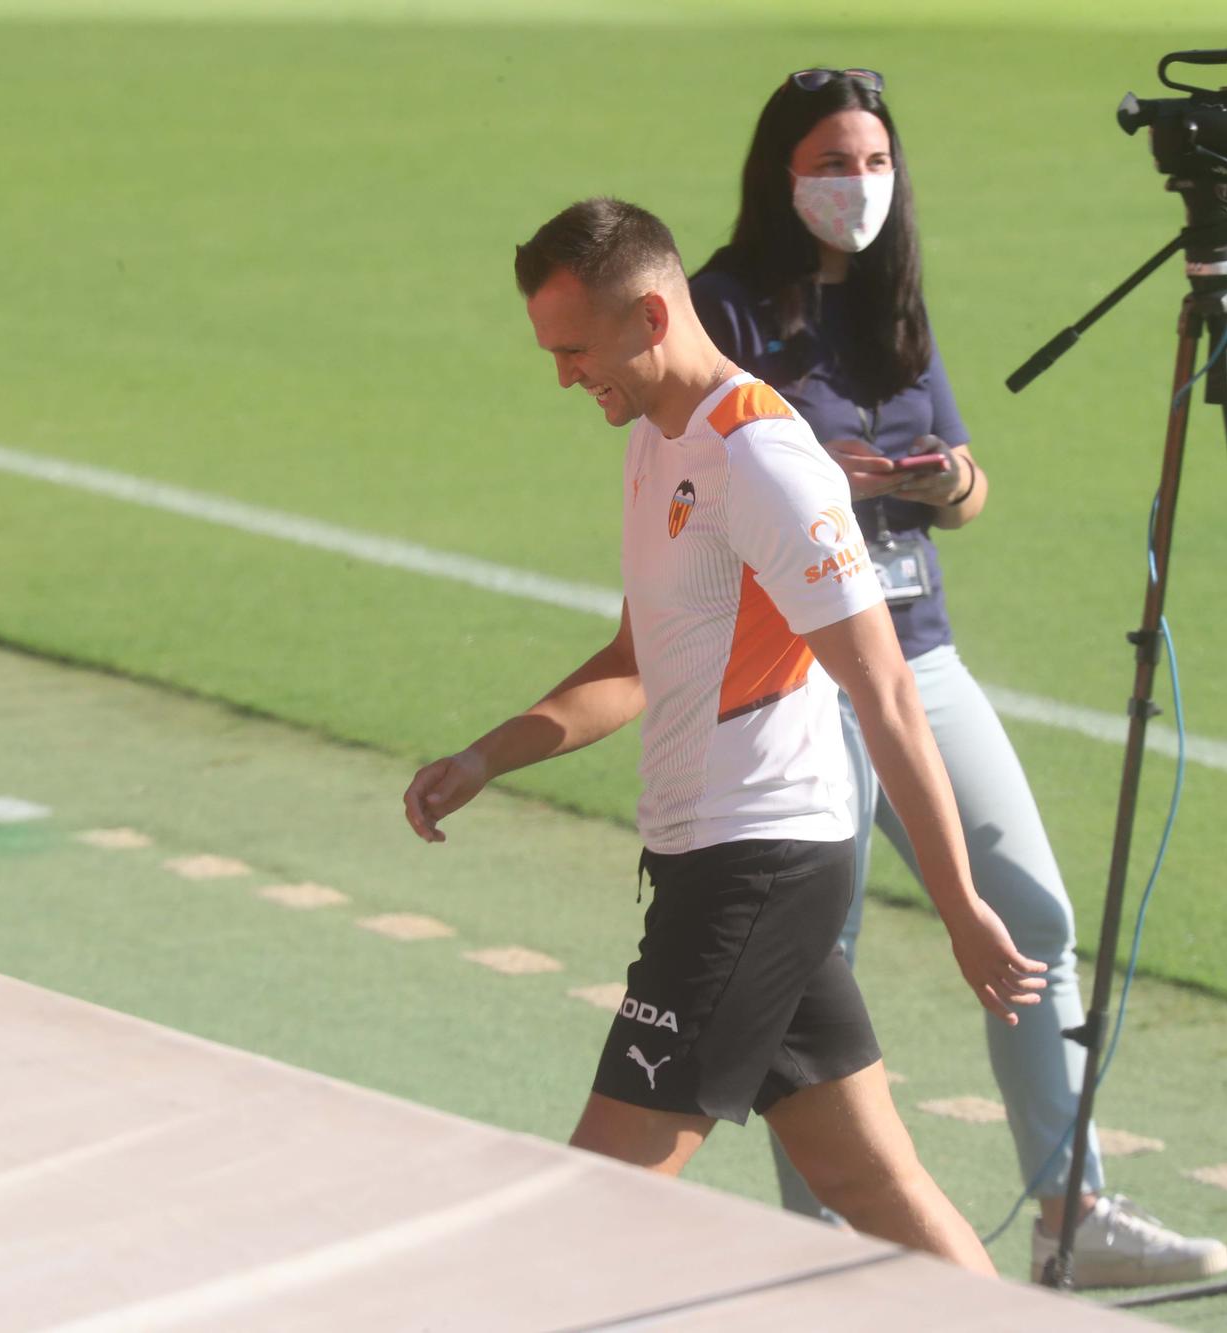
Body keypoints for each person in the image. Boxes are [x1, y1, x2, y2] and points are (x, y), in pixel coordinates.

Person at [403, 196, 1047, 1276]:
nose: (563, 376)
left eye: (573, 349)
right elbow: (632, 663)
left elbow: (883, 689)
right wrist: (486, 756)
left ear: (650, 316)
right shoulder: (657, 442)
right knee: (869, 1183)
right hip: (722, 860)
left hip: (753, 870)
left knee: (592, 1196)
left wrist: (958, 904)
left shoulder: (762, 464)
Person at [689, 68, 1227, 1288]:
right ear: (783, 173)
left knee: (1031, 914)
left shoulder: (891, 304)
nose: (858, 186)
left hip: (918, 652)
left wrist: (939, 483)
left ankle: (1068, 1213)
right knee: (812, 956)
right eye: (832, 163)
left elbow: (972, 483)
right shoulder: (723, 308)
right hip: (797, 670)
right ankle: (812, 1246)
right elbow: (688, 487)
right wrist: (816, 474)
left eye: (875, 162)